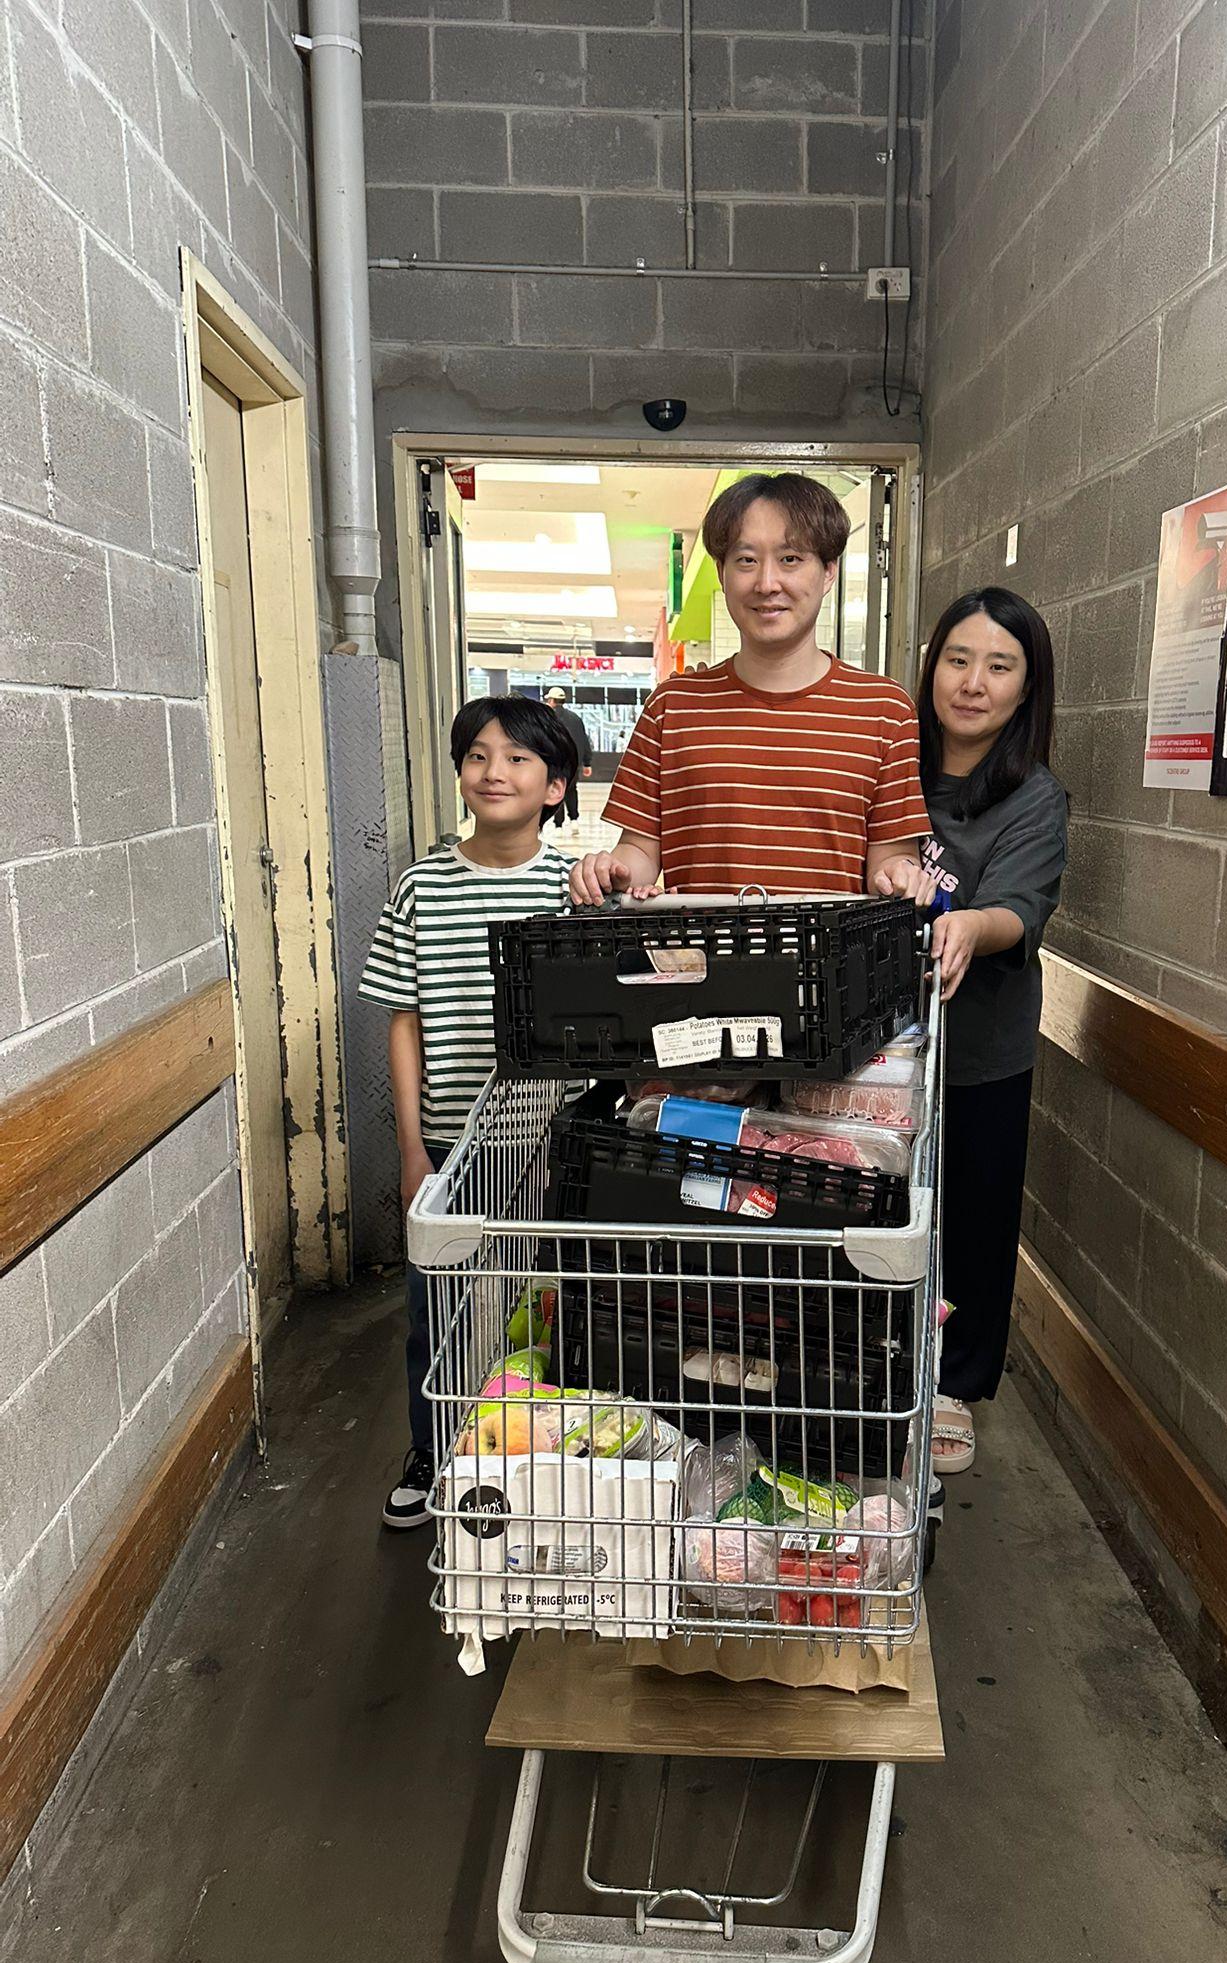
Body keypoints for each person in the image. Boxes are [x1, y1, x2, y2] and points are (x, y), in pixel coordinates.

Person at [360, 696, 577, 1529]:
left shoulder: (571, 890)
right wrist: (414, 1148)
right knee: (439, 1308)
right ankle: (434, 1446)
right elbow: (404, 1021)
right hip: (451, 1143)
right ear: (460, 771)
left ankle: (545, 1459)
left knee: (553, 1302)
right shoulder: (423, 885)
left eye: (520, 759)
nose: (495, 771)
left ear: (555, 786)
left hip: (553, 1142)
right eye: (479, 754)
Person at [568, 472, 933, 904]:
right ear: (722, 573)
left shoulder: (884, 710)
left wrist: (902, 875)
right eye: (745, 560)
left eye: (791, 559)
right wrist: (611, 871)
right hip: (698, 966)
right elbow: (640, 849)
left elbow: (893, 857)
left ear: (829, 570)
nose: (766, 583)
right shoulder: (671, 707)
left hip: (827, 967)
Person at [918, 587, 1067, 1476]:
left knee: (970, 1223)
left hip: (979, 1057)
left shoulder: (1034, 798)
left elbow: (1019, 907)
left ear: (1025, 688)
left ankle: (955, 1387)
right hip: (872, 1055)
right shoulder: (889, 762)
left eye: (999, 666)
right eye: (958, 660)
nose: (972, 683)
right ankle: (869, 1368)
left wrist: (971, 926)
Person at [544, 686, 593, 820]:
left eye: (548, 699)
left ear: (553, 701)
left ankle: (558, 823)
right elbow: (584, 740)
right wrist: (587, 763)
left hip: (555, 763)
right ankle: (574, 820)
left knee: (556, 790)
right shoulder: (575, 718)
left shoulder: (548, 719)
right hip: (573, 763)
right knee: (571, 790)